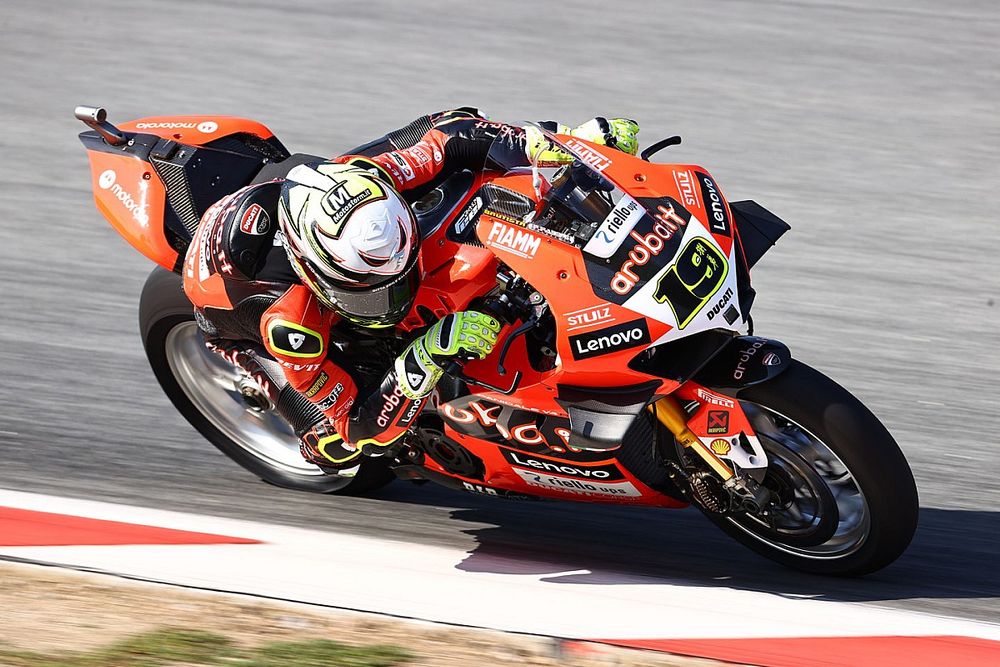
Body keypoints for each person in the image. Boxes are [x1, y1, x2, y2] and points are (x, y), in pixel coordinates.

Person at [182, 108, 639, 474]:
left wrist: (562, 143)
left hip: (307, 209)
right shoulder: (291, 323)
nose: (396, 299)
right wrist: (427, 354)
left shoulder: (368, 177)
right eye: (375, 292)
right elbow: (357, 424)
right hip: (235, 319)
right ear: (316, 275)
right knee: (334, 447)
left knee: (467, 149)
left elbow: (455, 133)